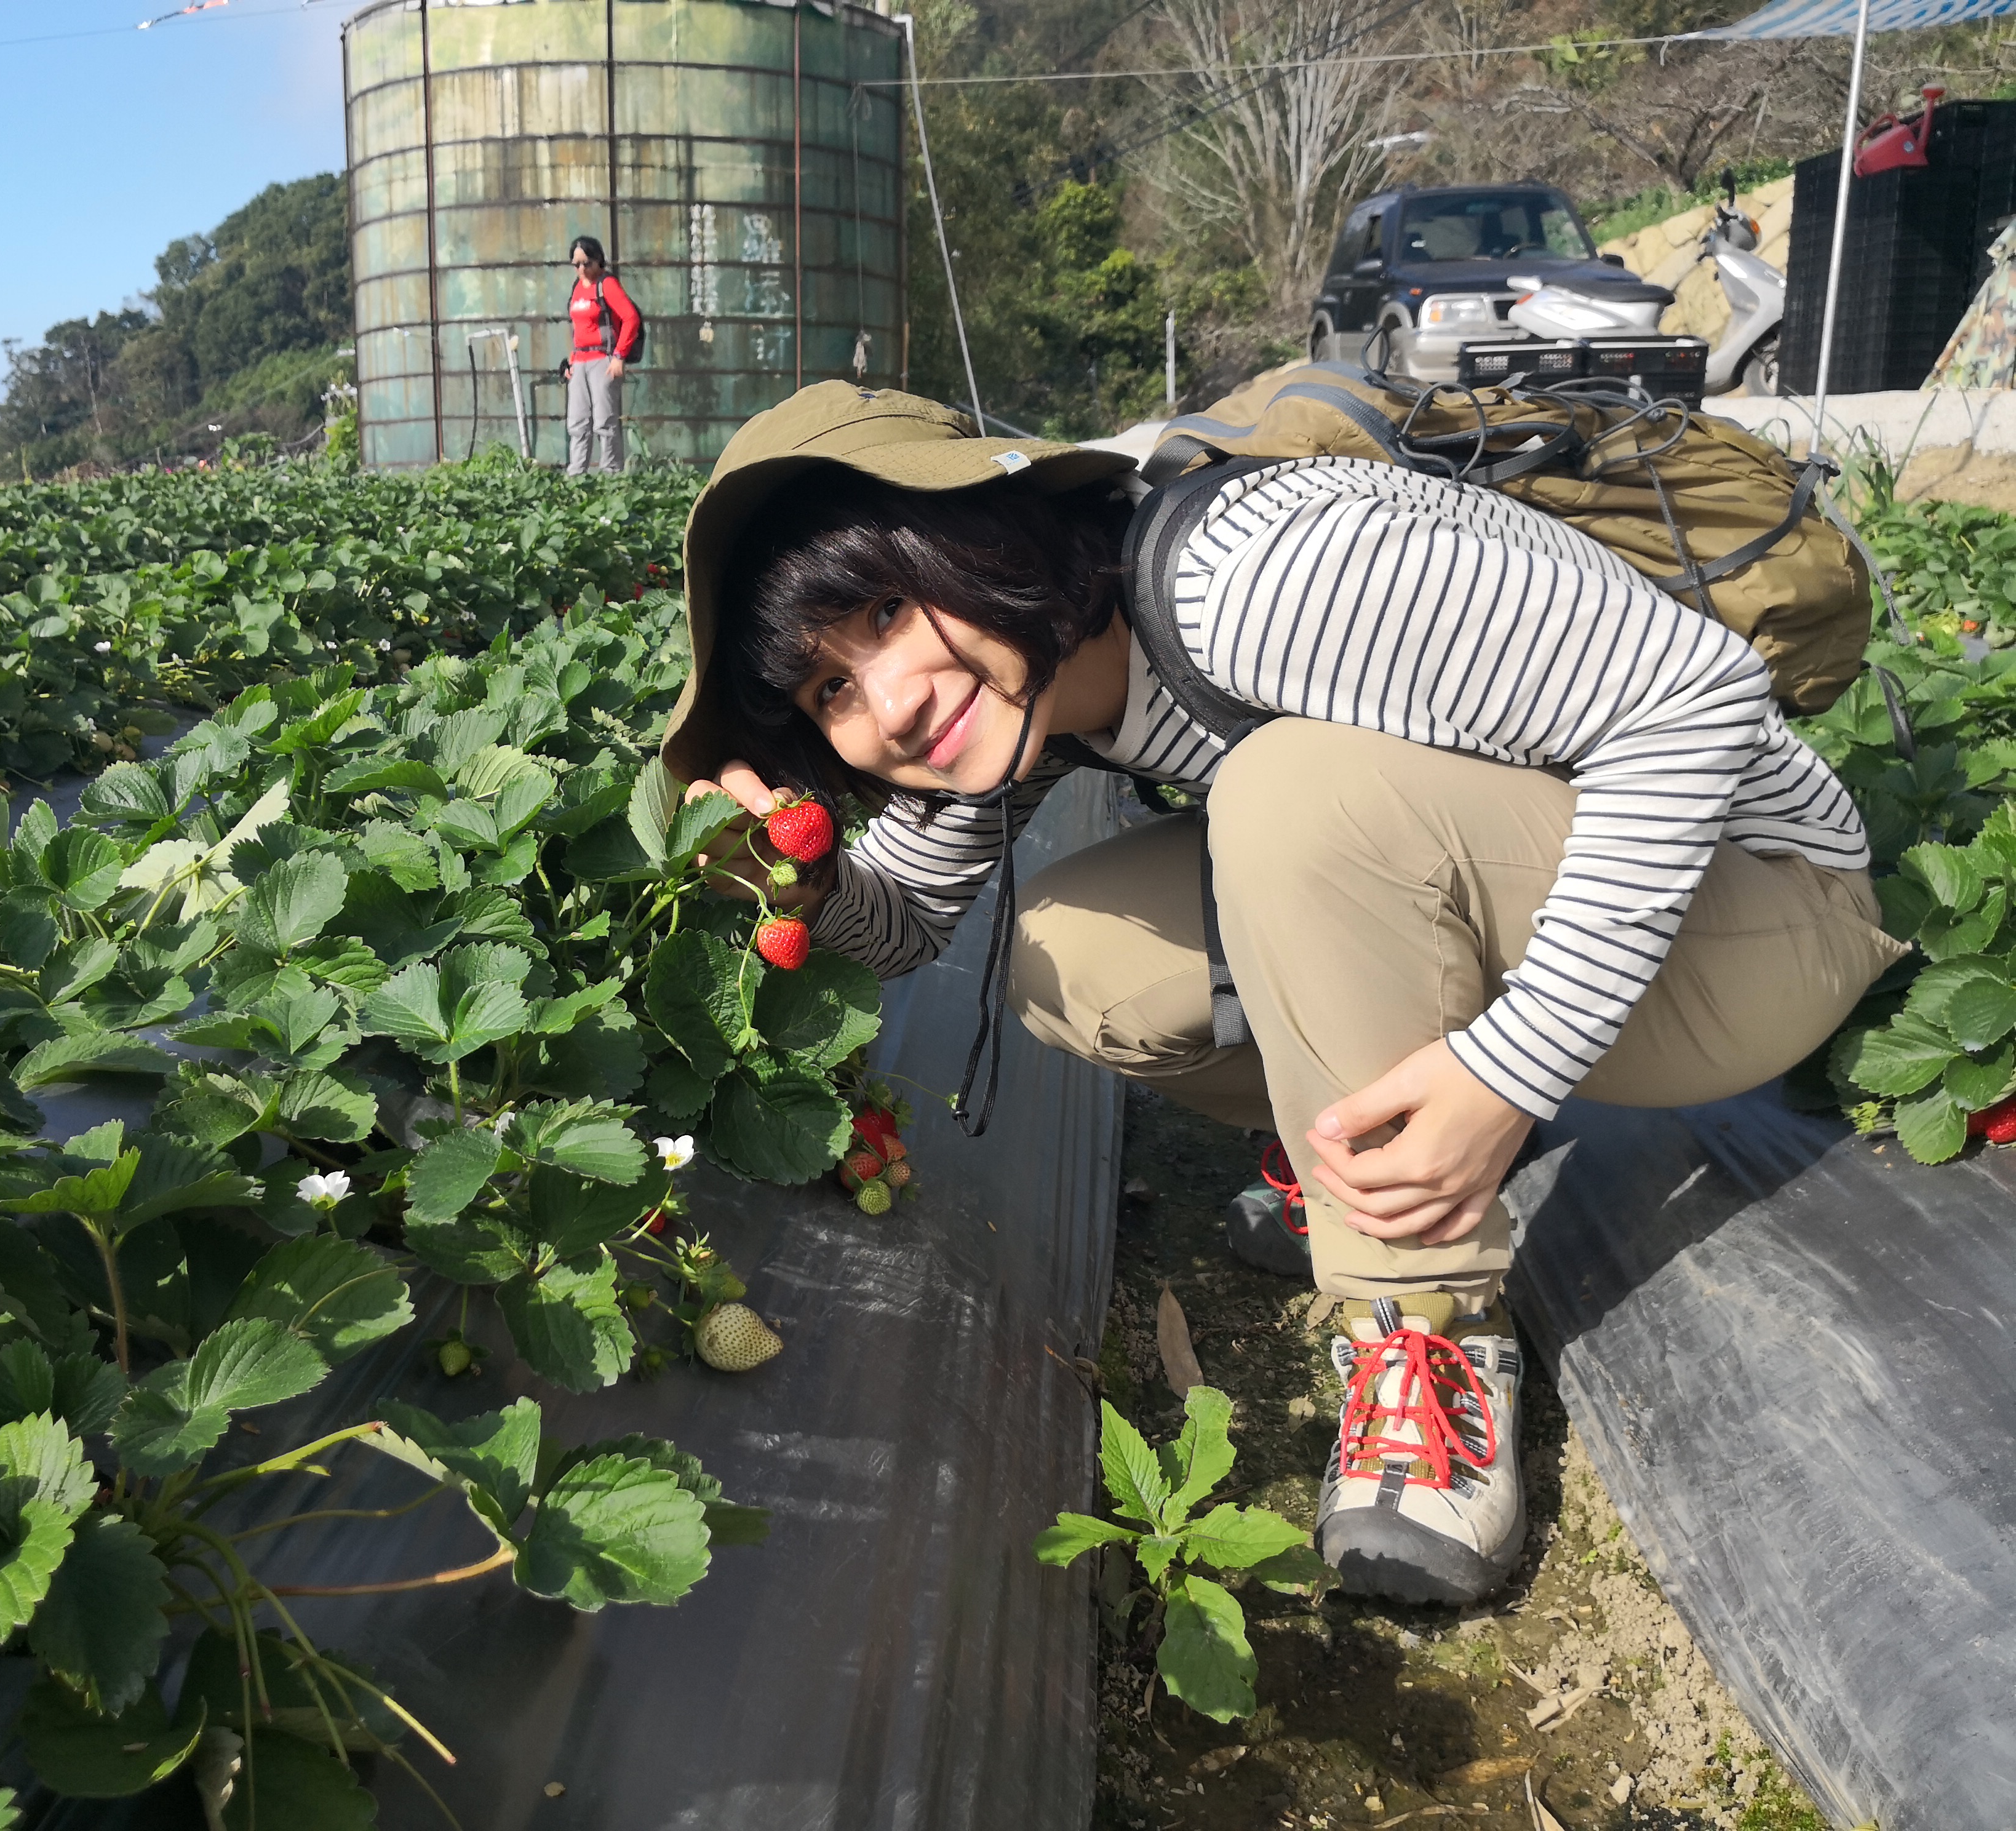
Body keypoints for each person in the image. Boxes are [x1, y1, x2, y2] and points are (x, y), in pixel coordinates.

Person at [659, 381, 1903, 1605]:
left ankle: (1426, 1322)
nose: (889, 703)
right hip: (1571, 904)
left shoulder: (1250, 576)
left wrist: (1512, 1064)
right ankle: (1377, 1148)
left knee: (1291, 797)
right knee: (1064, 953)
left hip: (1759, 914)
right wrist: (785, 878)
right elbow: (899, 928)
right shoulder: (1024, 684)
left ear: (976, 531)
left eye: (884, 608)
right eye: (829, 691)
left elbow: (1692, 696)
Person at [564, 236, 640, 475]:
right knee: (577, 423)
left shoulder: (606, 284)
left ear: (599, 261)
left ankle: (611, 474)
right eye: (577, 265)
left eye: (587, 263)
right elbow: (578, 329)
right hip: (580, 361)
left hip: (603, 360)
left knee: (605, 423)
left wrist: (619, 356)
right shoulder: (577, 289)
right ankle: (576, 475)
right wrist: (570, 361)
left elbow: (631, 318)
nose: (582, 269)